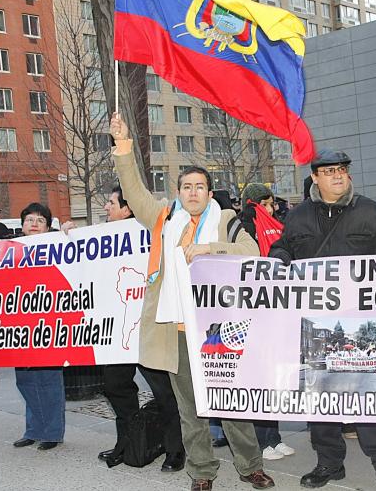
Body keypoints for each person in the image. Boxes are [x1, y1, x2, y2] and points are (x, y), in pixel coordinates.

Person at [109, 114, 273, 491]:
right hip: (178, 331)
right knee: (190, 409)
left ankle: (251, 467)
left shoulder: (227, 220)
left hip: (220, 332)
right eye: (187, 187)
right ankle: (202, 472)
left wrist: (208, 249)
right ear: (179, 192)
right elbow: (134, 193)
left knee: (232, 404)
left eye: (200, 186)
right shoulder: (164, 220)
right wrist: (123, 146)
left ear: (210, 193)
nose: (193, 192)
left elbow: (251, 254)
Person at [270, 149, 376, 491]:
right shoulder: (299, 216)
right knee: (321, 399)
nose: (339, 176)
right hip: (318, 327)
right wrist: (277, 256)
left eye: (343, 170)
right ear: (316, 177)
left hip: (363, 326)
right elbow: (283, 247)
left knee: (368, 398)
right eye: (330, 171)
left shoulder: (369, 211)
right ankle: (328, 463)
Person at [98, 186, 185, 471]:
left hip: (150, 327)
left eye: (111, 203)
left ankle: (175, 449)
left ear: (127, 208)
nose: (106, 208)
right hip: (118, 331)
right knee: (115, 386)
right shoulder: (99, 238)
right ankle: (129, 442)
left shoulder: (155, 230)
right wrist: (69, 234)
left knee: (163, 392)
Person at [236, 183, 294, 461]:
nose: (272, 209)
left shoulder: (273, 224)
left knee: (272, 377)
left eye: (273, 204)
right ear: (255, 204)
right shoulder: (244, 225)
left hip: (273, 307)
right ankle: (263, 442)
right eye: (267, 204)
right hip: (254, 309)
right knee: (260, 377)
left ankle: (274, 437)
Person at [13, 203, 66, 451]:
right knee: (25, 380)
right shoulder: (7, 249)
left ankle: (52, 433)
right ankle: (33, 430)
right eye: (29, 219)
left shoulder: (58, 246)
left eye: (40, 220)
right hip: (18, 329)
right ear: (22, 225)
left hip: (48, 327)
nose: (34, 224)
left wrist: (69, 233)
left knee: (48, 381)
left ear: (48, 225)